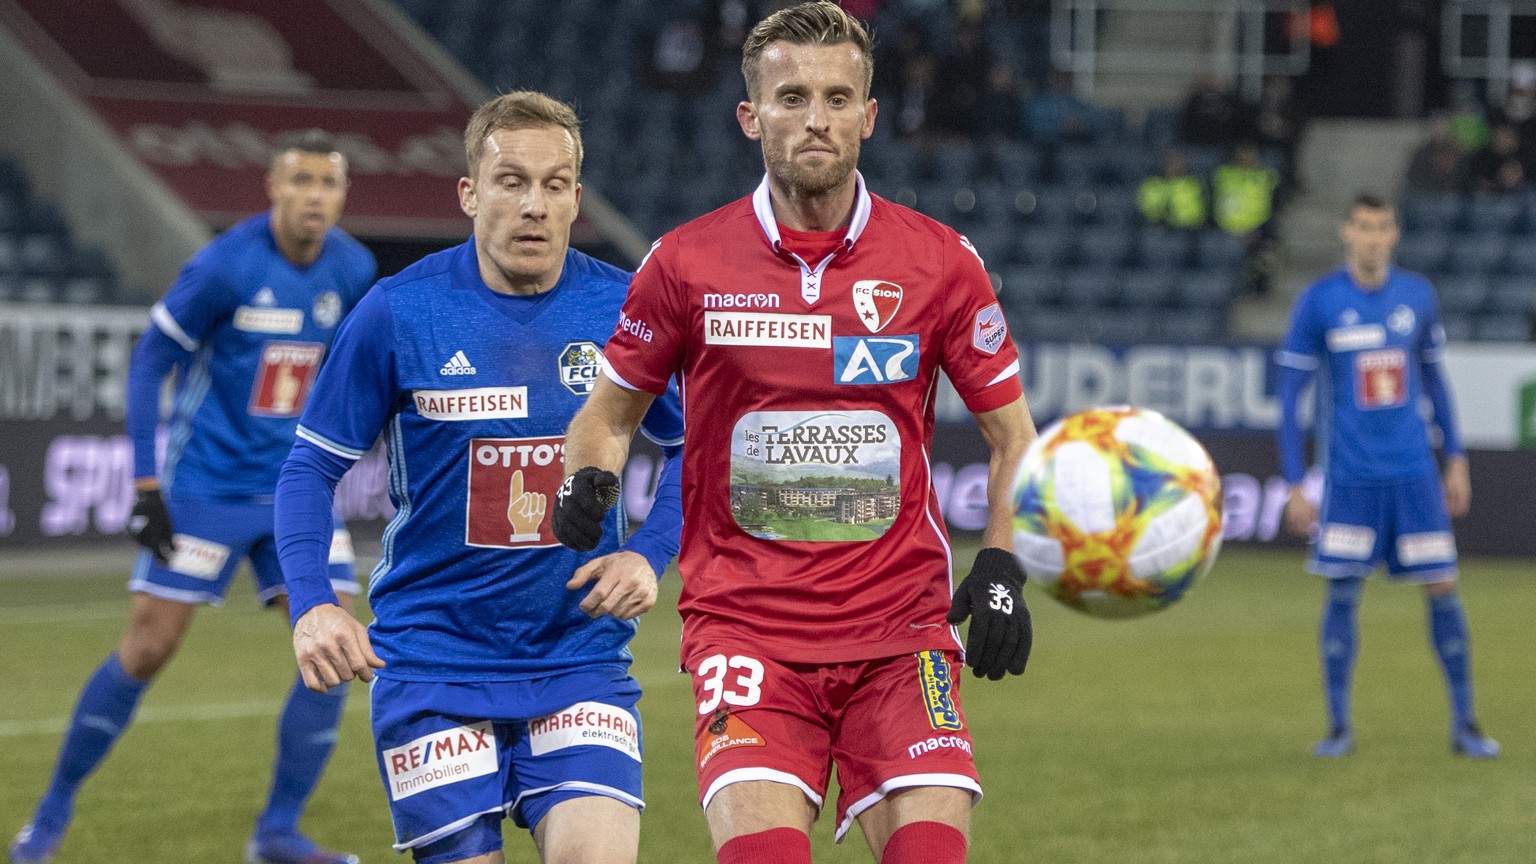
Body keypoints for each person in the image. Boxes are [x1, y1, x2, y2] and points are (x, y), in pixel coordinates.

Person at [555, 5, 1037, 863]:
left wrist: (1000, 563)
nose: (816, 118)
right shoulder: (683, 263)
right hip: (746, 631)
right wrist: (588, 475)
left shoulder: (940, 263)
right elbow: (608, 413)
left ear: (869, 115)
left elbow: (1013, 437)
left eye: (838, 97)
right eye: (792, 96)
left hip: (901, 630)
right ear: (751, 116)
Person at [272, 91, 684, 864]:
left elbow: (695, 449)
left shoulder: (627, 309)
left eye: (555, 184)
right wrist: (312, 605)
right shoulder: (398, 312)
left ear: (576, 199)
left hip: (577, 657)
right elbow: (308, 468)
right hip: (429, 664)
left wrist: (648, 552)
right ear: (469, 193)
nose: (534, 205)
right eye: (511, 181)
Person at [9, 131, 377, 864]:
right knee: (148, 648)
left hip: (297, 491)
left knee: (336, 645)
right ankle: (48, 819)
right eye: (300, 180)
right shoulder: (223, 267)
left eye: (329, 183)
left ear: (342, 195)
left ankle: (276, 832)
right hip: (205, 486)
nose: (314, 196)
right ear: (272, 187)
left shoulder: (354, 267)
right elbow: (151, 362)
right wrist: (147, 485)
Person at [1276, 192, 1499, 760]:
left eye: (1382, 227)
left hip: (1414, 475)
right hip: (1350, 479)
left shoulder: (1417, 296)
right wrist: (1296, 481)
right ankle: (1338, 727)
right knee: (1344, 592)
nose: (1373, 237)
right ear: (1345, 232)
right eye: (1363, 227)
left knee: (1443, 588)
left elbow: (1436, 382)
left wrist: (1456, 458)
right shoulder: (1320, 301)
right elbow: (1288, 399)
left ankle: (1465, 724)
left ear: (1394, 233)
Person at [1137, 147, 1208, 230]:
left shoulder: (1194, 184)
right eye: (1169, 159)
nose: (1173, 164)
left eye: (1177, 160)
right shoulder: (1151, 184)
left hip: (1188, 232)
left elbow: (1199, 214)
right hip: (1160, 231)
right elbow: (1146, 212)